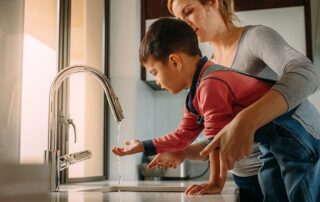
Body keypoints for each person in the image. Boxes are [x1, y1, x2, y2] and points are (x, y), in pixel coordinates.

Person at [112, 17, 320, 202]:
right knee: (272, 188)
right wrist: (143, 146)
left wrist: (215, 183)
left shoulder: (210, 84)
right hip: (270, 139)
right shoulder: (198, 90)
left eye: (155, 72)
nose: (157, 80)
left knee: (299, 188)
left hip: (292, 132)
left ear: (174, 61)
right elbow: (183, 135)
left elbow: (216, 142)